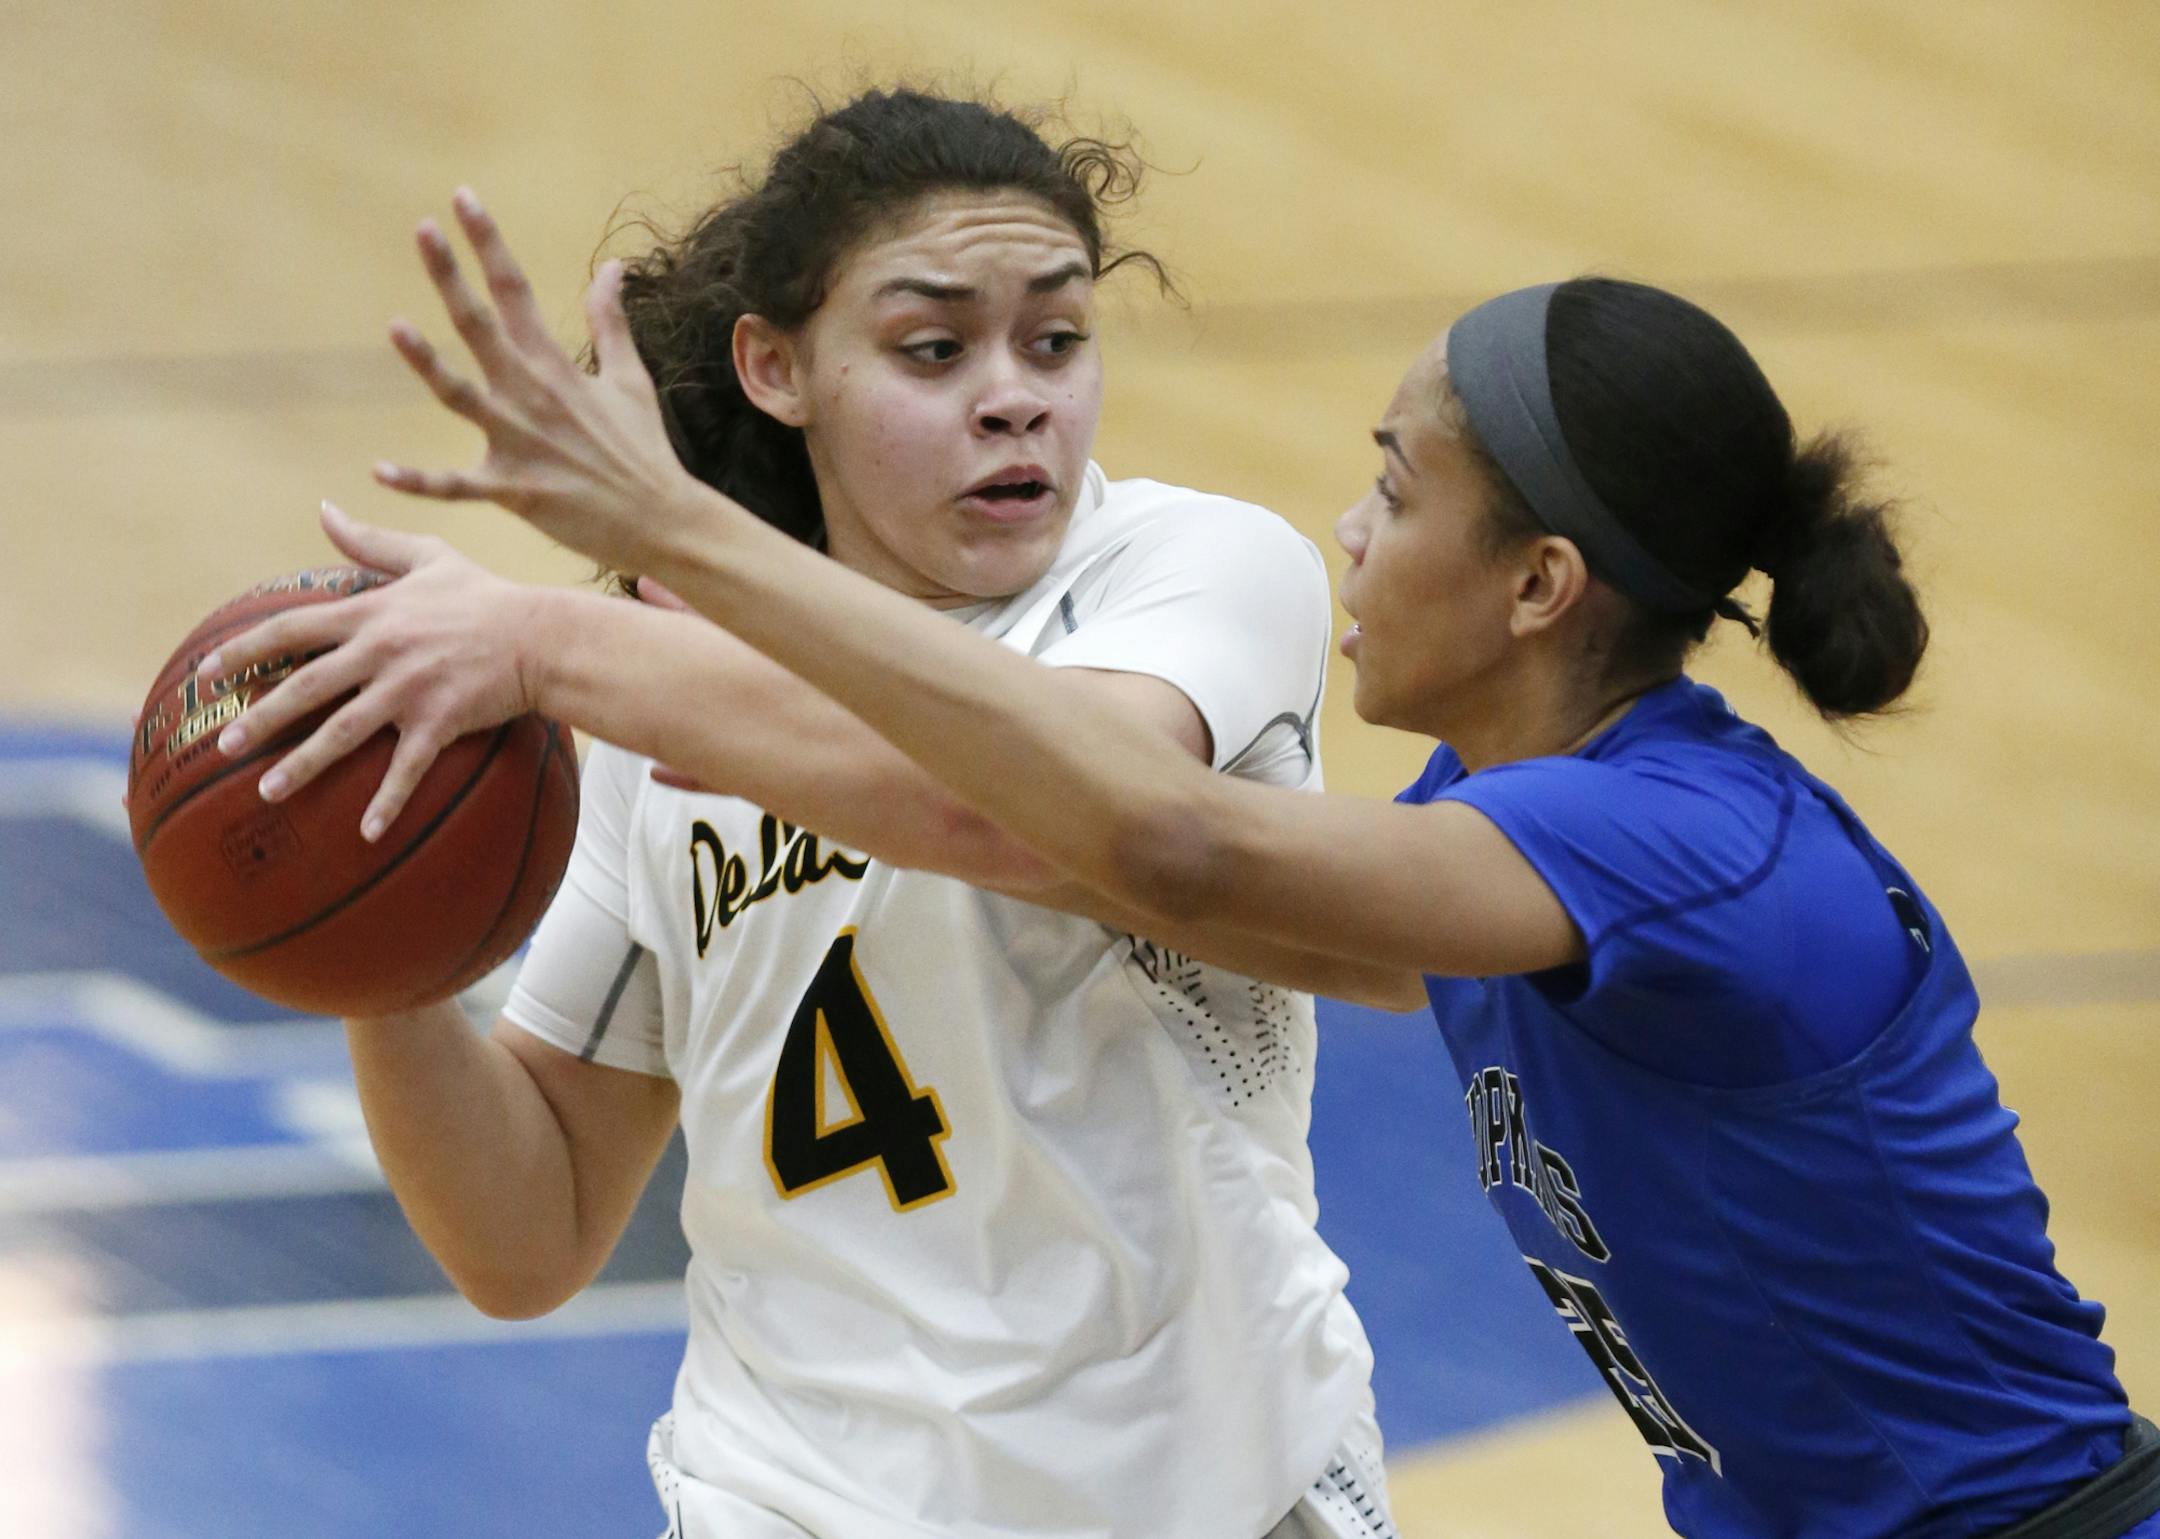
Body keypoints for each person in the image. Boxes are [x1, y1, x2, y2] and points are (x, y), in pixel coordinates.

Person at [258, 231, 2157, 1539]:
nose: (1348, 529)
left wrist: (599, 609)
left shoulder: (1660, 848)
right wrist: (704, 673)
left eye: (1397, 493)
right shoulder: (1510, 814)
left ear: (1541, 587)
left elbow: (1166, 839)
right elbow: (1095, 862)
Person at [201, 91, 1401, 1539]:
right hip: (787, 1502)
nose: (1015, 394)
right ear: (778, 369)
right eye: (933, 348)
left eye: (1057, 339)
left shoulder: (1194, 573)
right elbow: (526, 1237)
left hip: (1216, 1496)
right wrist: (371, 922)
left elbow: (1067, 818)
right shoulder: (674, 697)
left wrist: (554, 634)